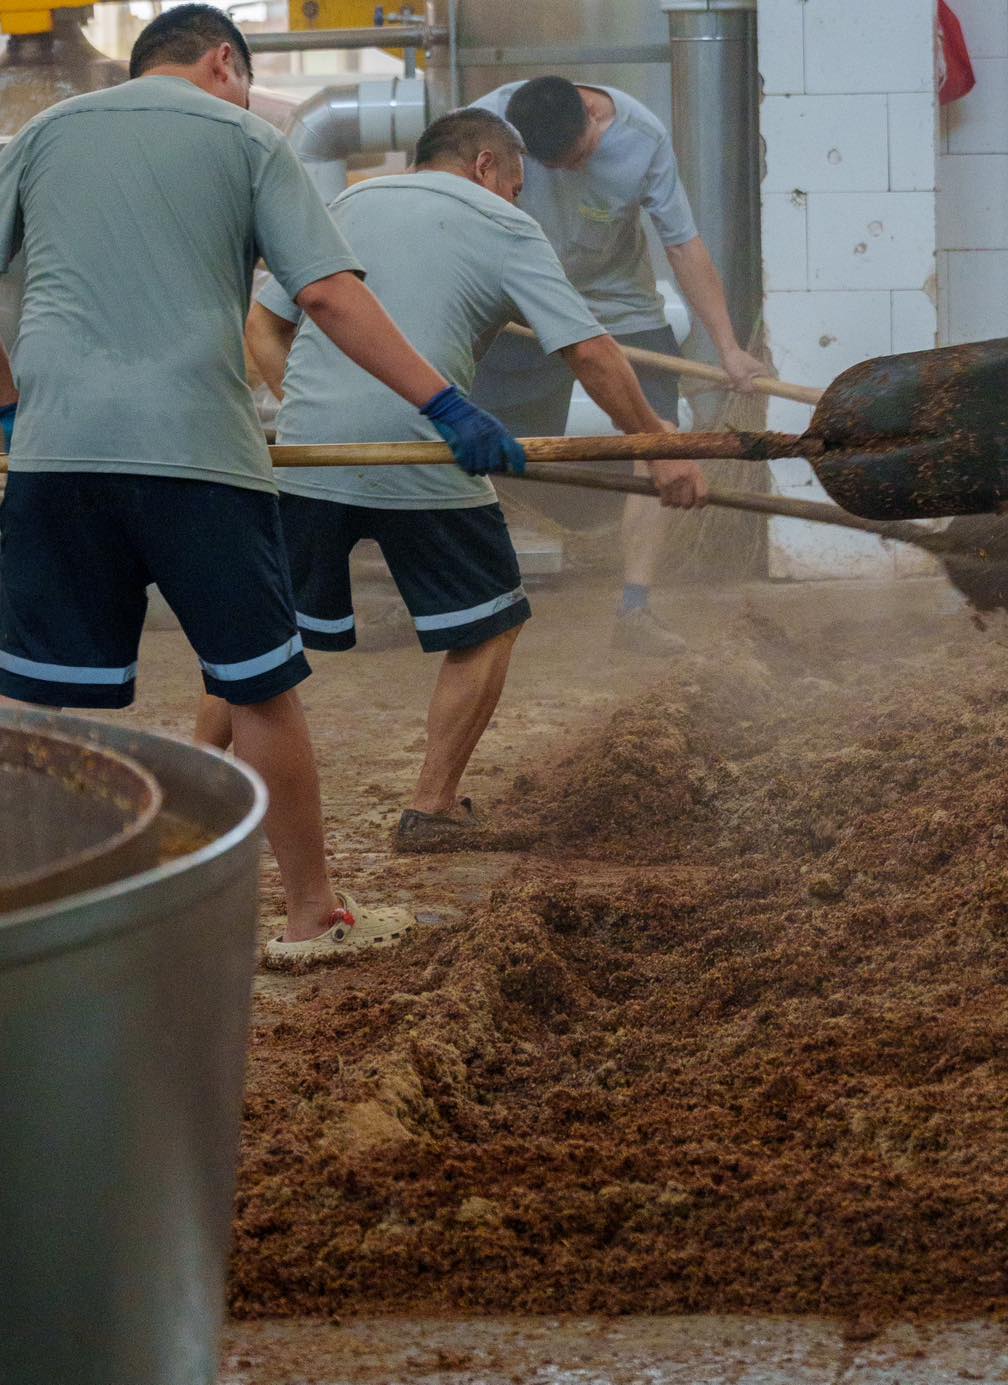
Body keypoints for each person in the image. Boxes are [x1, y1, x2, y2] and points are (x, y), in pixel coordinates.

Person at [0, 5, 525, 961]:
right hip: (198, 456)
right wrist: (445, 404)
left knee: (41, 703)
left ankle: (43, 919)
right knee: (259, 689)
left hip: (54, 455)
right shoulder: (248, 135)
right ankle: (310, 913)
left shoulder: (39, 136)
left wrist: (9, 410)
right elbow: (325, 291)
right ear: (223, 63)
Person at [196, 107, 706, 853]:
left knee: (255, 633)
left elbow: (262, 327)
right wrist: (659, 443)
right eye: (516, 185)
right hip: (426, 449)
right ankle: (432, 807)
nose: (516, 200)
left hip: (310, 454)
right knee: (492, 620)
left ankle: (191, 789)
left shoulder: (349, 201)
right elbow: (591, 352)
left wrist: (313, 407)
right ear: (485, 167)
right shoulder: (505, 227)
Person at [470, 75, 770, 657]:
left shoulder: (642, 138)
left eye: (578, 159)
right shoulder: (480, 125)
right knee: (472, 442)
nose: (566, 174)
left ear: (593, 115)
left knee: (661, 443)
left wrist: (728, 348)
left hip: (618, 306)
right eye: (548, 168)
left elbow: (682, 244)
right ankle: (471, 598)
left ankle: (635, 607)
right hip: (516, 306)